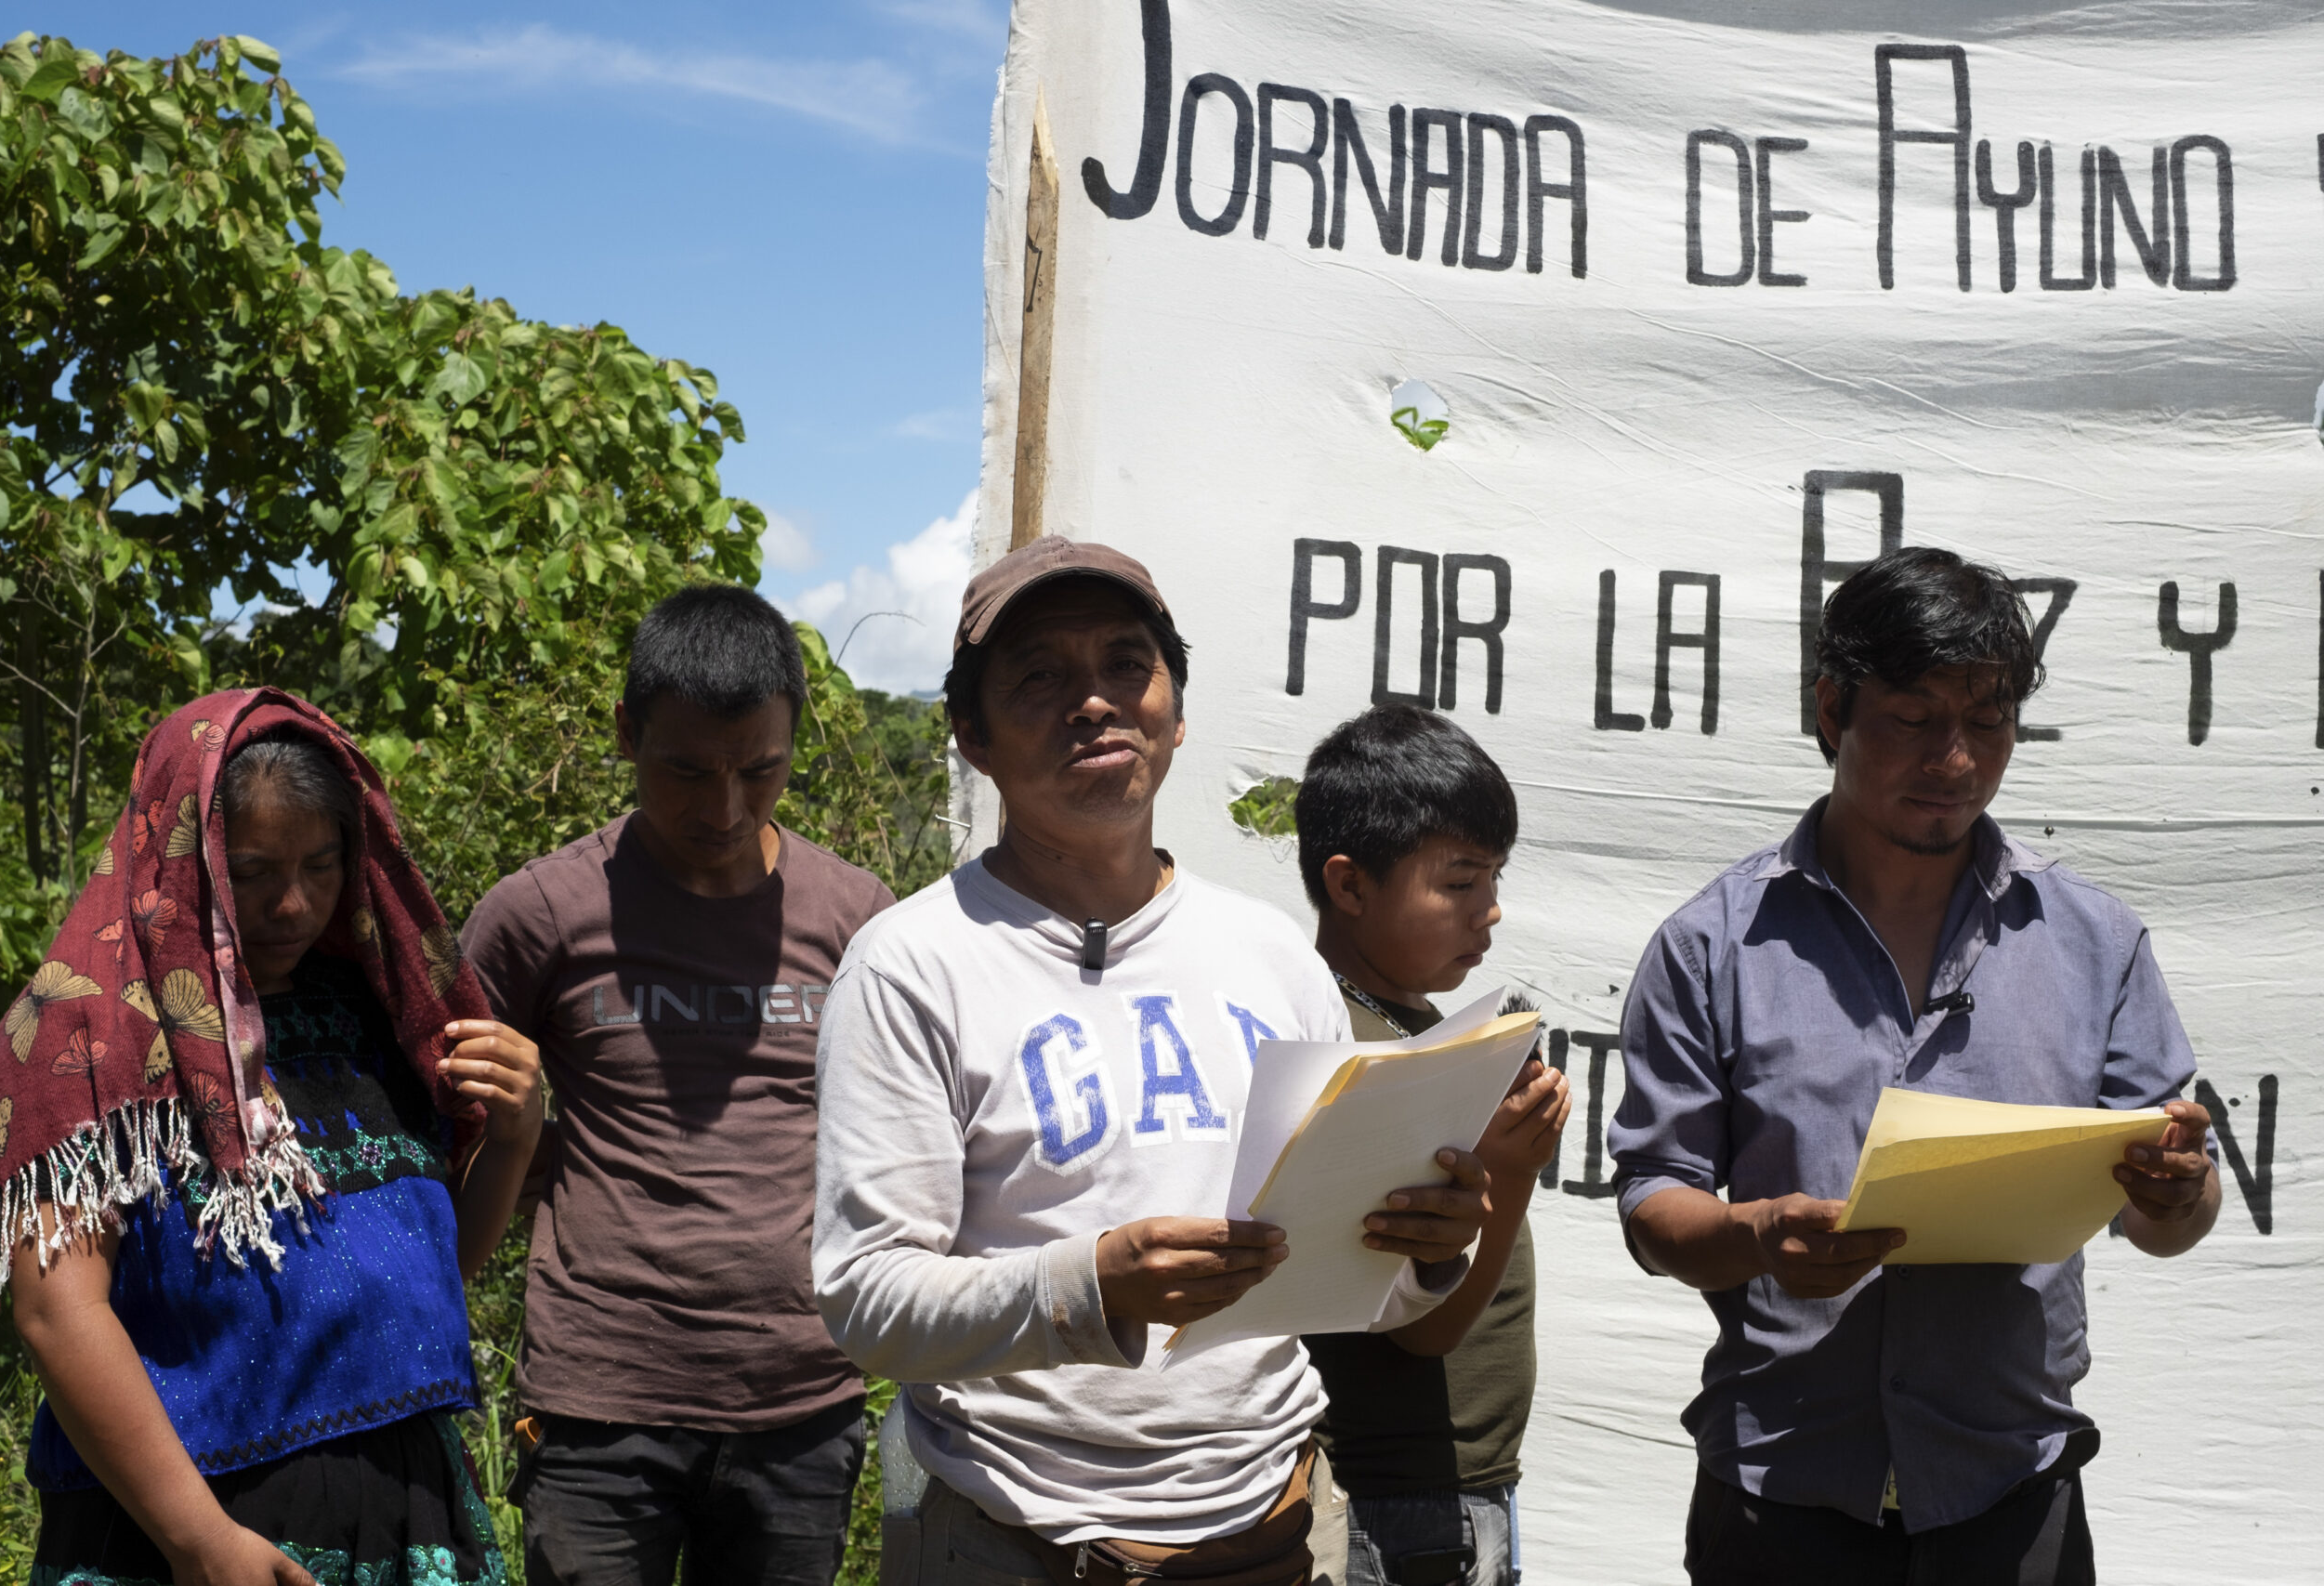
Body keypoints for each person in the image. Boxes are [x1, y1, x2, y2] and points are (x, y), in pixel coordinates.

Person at [812, 535, 1499, 1586]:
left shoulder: (1271, 956)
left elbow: (1358, 1288)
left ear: (1175, 712)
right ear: (970, 734)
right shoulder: (911, 964)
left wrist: (1427, 1250)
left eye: (1126, 664)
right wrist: (1093, 1285)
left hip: (1272, 1533)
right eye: (1039, 675)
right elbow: (868, 1303)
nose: (1093, 701)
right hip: (1015, 1542)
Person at [1608, 548, 2221, 1586]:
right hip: (1780, 1497)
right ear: (1830, 708)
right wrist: (1756, 1237)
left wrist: (2178, 1189)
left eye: (1987, 721)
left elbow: (2168, 1223)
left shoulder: (2093, 943)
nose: (1954, 759)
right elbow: (1652, 1200)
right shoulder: (1711, 944)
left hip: (2010, 1494)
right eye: (1912, 717)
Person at [0, 688, 542, 1586]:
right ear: (181, 859)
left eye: (322, 864)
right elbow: (54, 1308)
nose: (294, 903)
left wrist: (511, 1137)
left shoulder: (374, 1019)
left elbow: (436, 1267)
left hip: (408, 1512)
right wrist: (201, 1541)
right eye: (255, 870)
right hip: (181, 1534)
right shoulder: (83, 1041)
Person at [460, 583, 896, 1586]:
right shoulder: (539, 913)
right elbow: (462, 1129)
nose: (725, 808)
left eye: (761, 770)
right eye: (686, 771)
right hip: (599, 1402)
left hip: (801, 1399)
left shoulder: (858, 919)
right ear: (625, 734)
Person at [1293, 705, 1571, 1586]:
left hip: (1451, 1487)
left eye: (1494, 877)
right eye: (1459, 882)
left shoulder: (1406, 1030)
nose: (1490, 910)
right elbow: (1429, 1329)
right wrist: (1514, 1171)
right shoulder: (1356, 1058)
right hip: (1393, 1502)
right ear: (1350, 885)